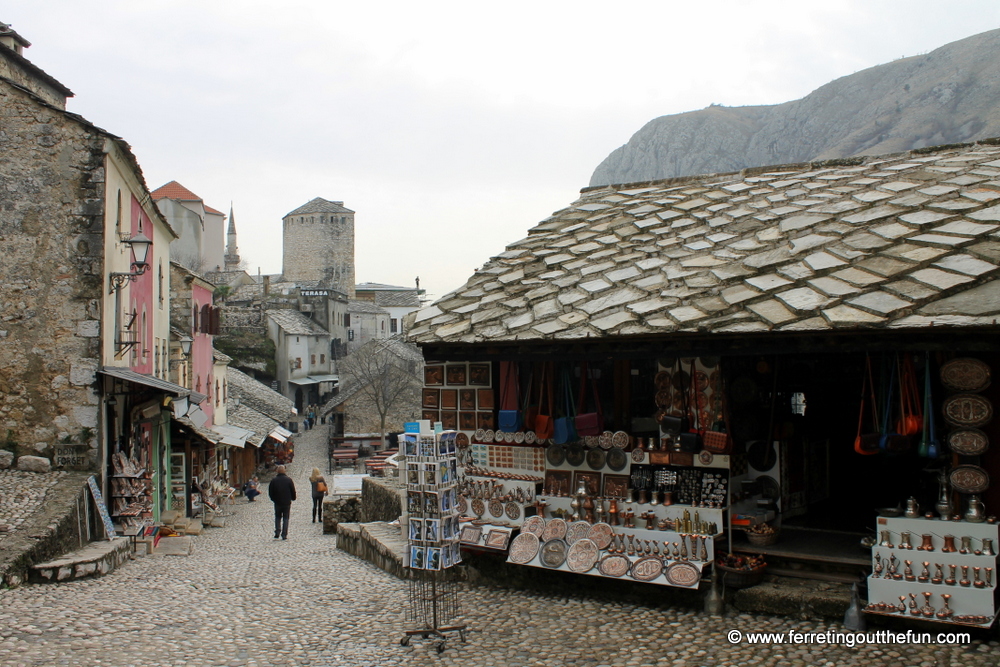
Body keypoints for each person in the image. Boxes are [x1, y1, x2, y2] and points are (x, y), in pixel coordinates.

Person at [268, 464, 296, 539]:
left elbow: (270, 492)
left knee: (278, 517)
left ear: (277, 471)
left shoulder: (274, 480)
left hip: (277, 502)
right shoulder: (289, 480)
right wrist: (293, 498)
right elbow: (292, 490)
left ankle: (277, 531)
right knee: (286, 518)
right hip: (286, 502)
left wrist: (273, 499)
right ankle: (284, 534)